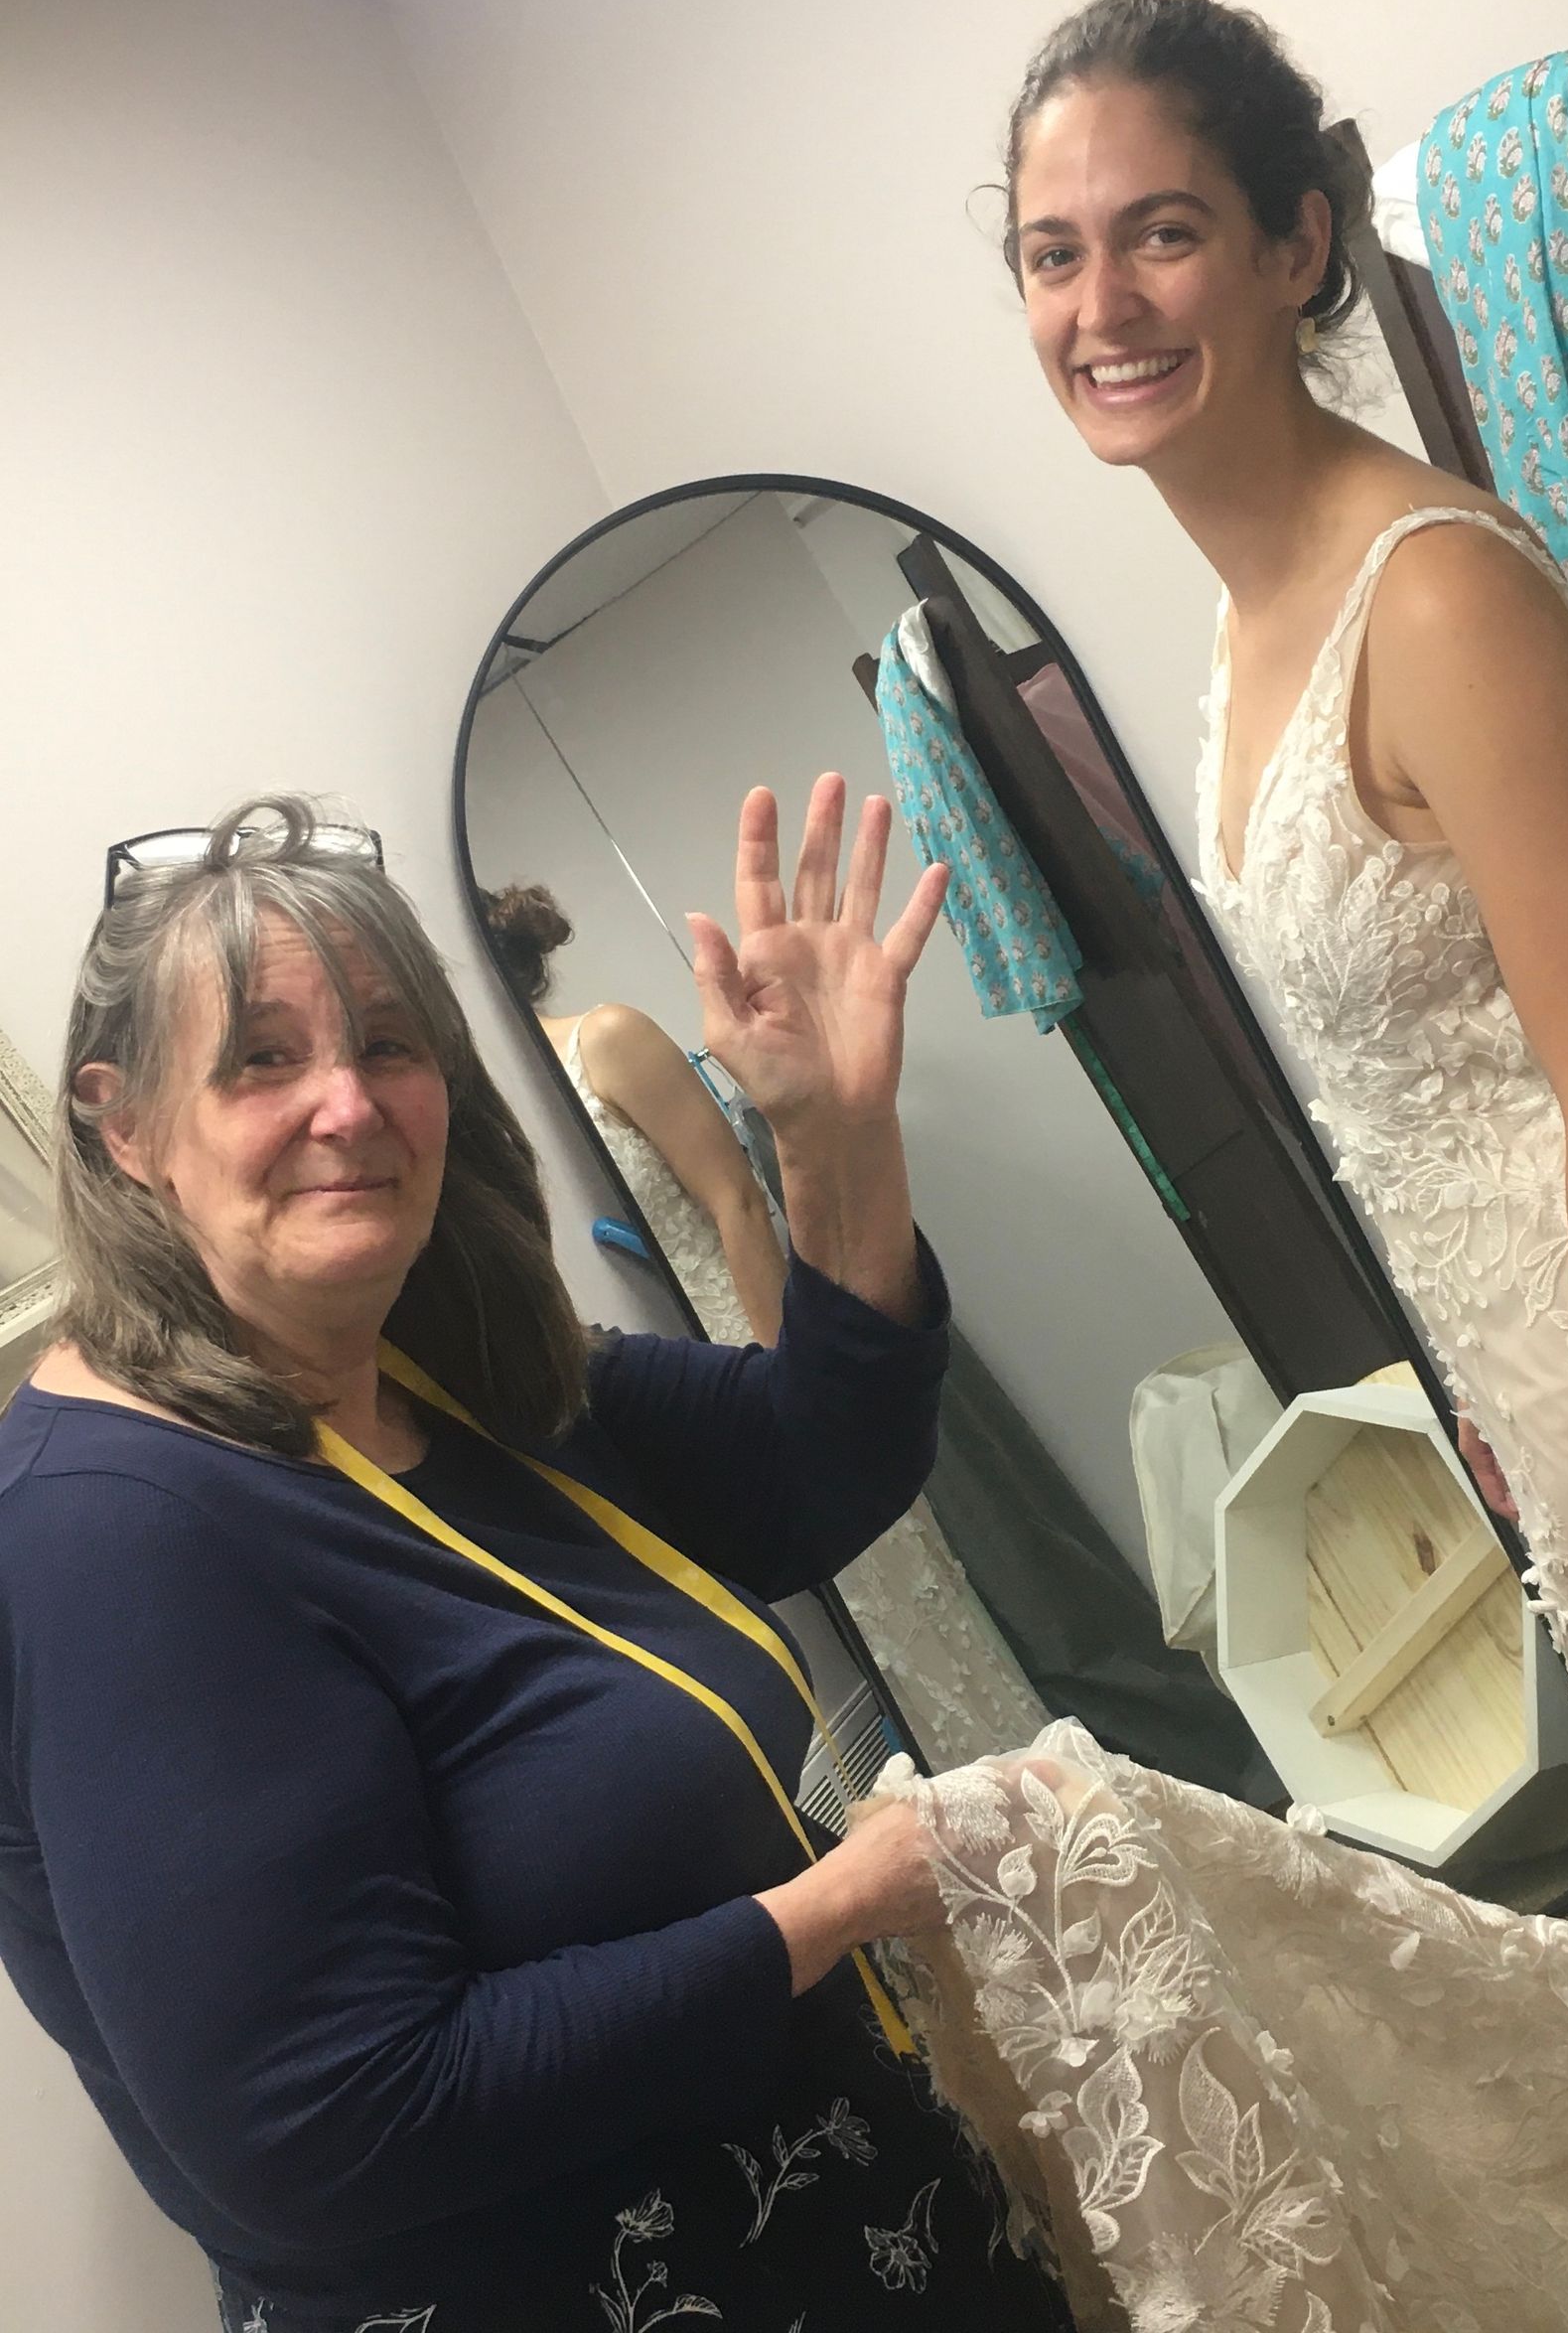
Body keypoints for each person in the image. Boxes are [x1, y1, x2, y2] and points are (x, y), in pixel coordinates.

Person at [999, 0, 1568, 1944]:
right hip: (1557, 1389)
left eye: (1158, 230)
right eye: (1050, 253)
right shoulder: (1244, 631)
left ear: (1292, 242)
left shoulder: (1439, 584)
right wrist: (1522, 1430)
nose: (1101, 305)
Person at [0, 788, 1075, 2333]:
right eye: (260, 1061)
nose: (350, 1106)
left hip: (851, 2227)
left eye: (387, 1043)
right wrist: (842, 1904)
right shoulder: (109, 1539)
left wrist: (832, 1138)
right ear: (125, 1131)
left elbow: (815, 1466)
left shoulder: (436, 1375)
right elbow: (327, 2123)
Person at [477, 879, 1050, 1771]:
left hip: (752, 1334)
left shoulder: (607, 1038)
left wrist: (789, 1374)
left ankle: (1017, 1779)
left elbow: (738, 1202)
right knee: (844, 1626)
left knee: (902, 1587)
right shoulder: (482, 1111)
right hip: (667, 1391)